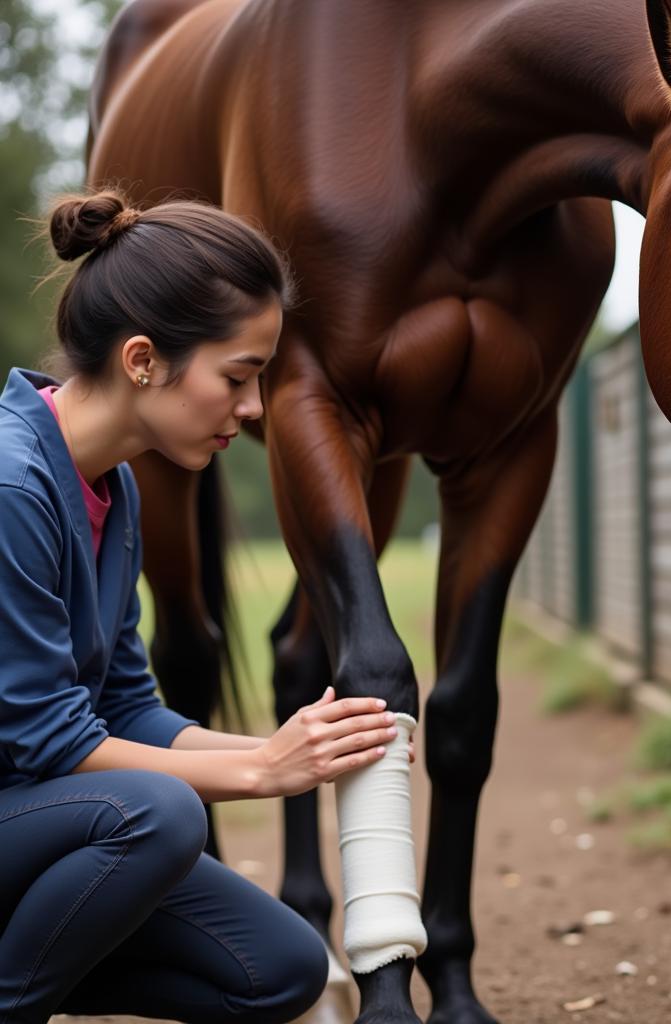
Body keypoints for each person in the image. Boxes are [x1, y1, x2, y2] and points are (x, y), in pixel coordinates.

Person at [0, 188, 411, 1023]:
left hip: (34, 832)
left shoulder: (114, 487)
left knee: (281, 968)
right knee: (157, 815)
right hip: (31, 813)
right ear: (143, 360)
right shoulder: (12, 485)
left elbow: (122, 704)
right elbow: (46, 737)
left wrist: (296, 749)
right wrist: (262, 771)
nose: (254, 410)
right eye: (238, 377)